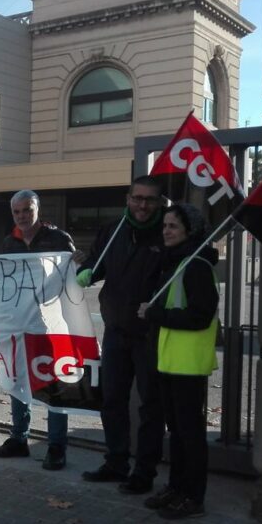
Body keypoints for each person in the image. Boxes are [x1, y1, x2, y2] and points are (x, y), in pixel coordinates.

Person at [76, 176, 166, 491]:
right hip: (115, 331)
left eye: (150, 199)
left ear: (159, 202)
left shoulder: (166, 232)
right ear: (128, 198)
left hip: (151, 334)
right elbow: (94, 263)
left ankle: (144, 472)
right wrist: (84, 272)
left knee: (150, 405)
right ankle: (116, 462)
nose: (143, 205)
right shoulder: (113, 230)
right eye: (137, 198)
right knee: (112, 400)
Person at [137, 203, 218, 519]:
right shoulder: (176, 263)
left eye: (173, 226)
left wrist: (155, 313)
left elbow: (200, 316)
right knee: (178, 433)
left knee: (190, 434)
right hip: (169, 362)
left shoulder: (196, 266)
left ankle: (193, 496)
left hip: (186, 365)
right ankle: (176, 487)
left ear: (190, 230)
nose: (166, 231)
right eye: (165, 225)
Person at [0, 190, 76, 470]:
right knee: (16, 381)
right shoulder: (8, 242)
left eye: (27, 210)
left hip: (50, 326)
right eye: (17, 212)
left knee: (53, 385)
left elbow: (72, 277)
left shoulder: (58, 239)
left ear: (37, 209)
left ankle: (56, 446)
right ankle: (19, 439)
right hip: (18, 324)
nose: (22, 216)